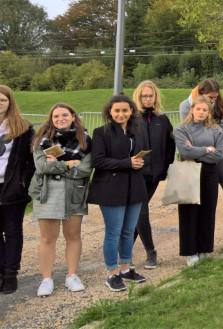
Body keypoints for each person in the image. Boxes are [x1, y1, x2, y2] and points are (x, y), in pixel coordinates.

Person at [88, 95, 149, 292]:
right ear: (110, 112)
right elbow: (98, 161)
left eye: (125, 110)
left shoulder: (136, 132)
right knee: (113, 232)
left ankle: (125, 268)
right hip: (111, 189)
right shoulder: (101, 133)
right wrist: (127, 163)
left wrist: (139, 162)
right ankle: (112, 273)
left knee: (128, 231)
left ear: (131, 111)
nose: (121, 114)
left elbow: (139, 155)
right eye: (117, 111)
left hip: (135, 187)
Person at [30, 104, 92, 297]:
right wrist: (67, 164)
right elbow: (41, 167)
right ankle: (46, 279)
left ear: (73, 116)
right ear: (51, 118)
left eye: (65, 115)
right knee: (48, 238)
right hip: (47, 192)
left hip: (75, 192)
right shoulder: (42, 141)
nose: (60, 118)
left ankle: (71, 276)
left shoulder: (86, 140)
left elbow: (85, 169)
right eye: (56, 116)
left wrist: (56, 164)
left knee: (73, 236)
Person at [181, 80, 223, 244]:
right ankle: (194, 243)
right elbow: (187, 129)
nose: (213, 100)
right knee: (197, 199)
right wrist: (207, 139)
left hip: (217, 154)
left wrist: (210, 136)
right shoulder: (186, 105)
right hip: (196, 158)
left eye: (215, 97)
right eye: (210, 97)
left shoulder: (217, 104)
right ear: (201, 93)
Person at [175, 96, 223, 266]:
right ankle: (190, 251)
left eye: (205, 110)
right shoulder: (182, 129)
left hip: (209, 173)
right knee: (189, 211)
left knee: (207, 210)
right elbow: (185, 153)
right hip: (188, 170)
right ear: (192, 109)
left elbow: (219, 154)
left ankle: (204, 249)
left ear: (209, 112)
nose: (201, 112)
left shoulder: (215, 130)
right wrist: (206, 149)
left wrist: (194, 149)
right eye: (199, 109)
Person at [132, 80, 175, 269]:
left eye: (150, 96)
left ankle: (123, 250)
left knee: (137, 212)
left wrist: (165, 168)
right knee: (141, 211)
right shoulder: (132, 119)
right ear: (138, 97)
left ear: (155, 97)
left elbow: (170, 146)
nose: (147, 99)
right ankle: (151, 252)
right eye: (144, 96)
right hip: (136, 172)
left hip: (154, 174)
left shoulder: (163, 120)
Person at [0, 85, 35, 295]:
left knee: (12, 231)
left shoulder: (22, 128)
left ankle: (11, 273)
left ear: (10, 102)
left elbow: (30, 161)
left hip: (13, 188)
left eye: (3, 100)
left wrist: (23, 182)